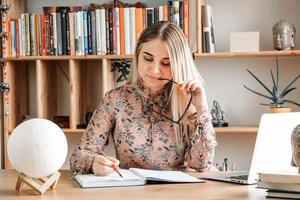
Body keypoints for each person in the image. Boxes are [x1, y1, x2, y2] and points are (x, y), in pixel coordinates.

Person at [70, 21, 217, 176]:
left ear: (178, 65)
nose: (155, 70)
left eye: (166, 63)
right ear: (138, 55)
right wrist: (94, 163)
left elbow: (201, 165)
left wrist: (202, 108)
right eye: (148, 58)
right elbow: (78, 158)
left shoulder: (187, 102)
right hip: (131, 193)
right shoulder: (115, 99)